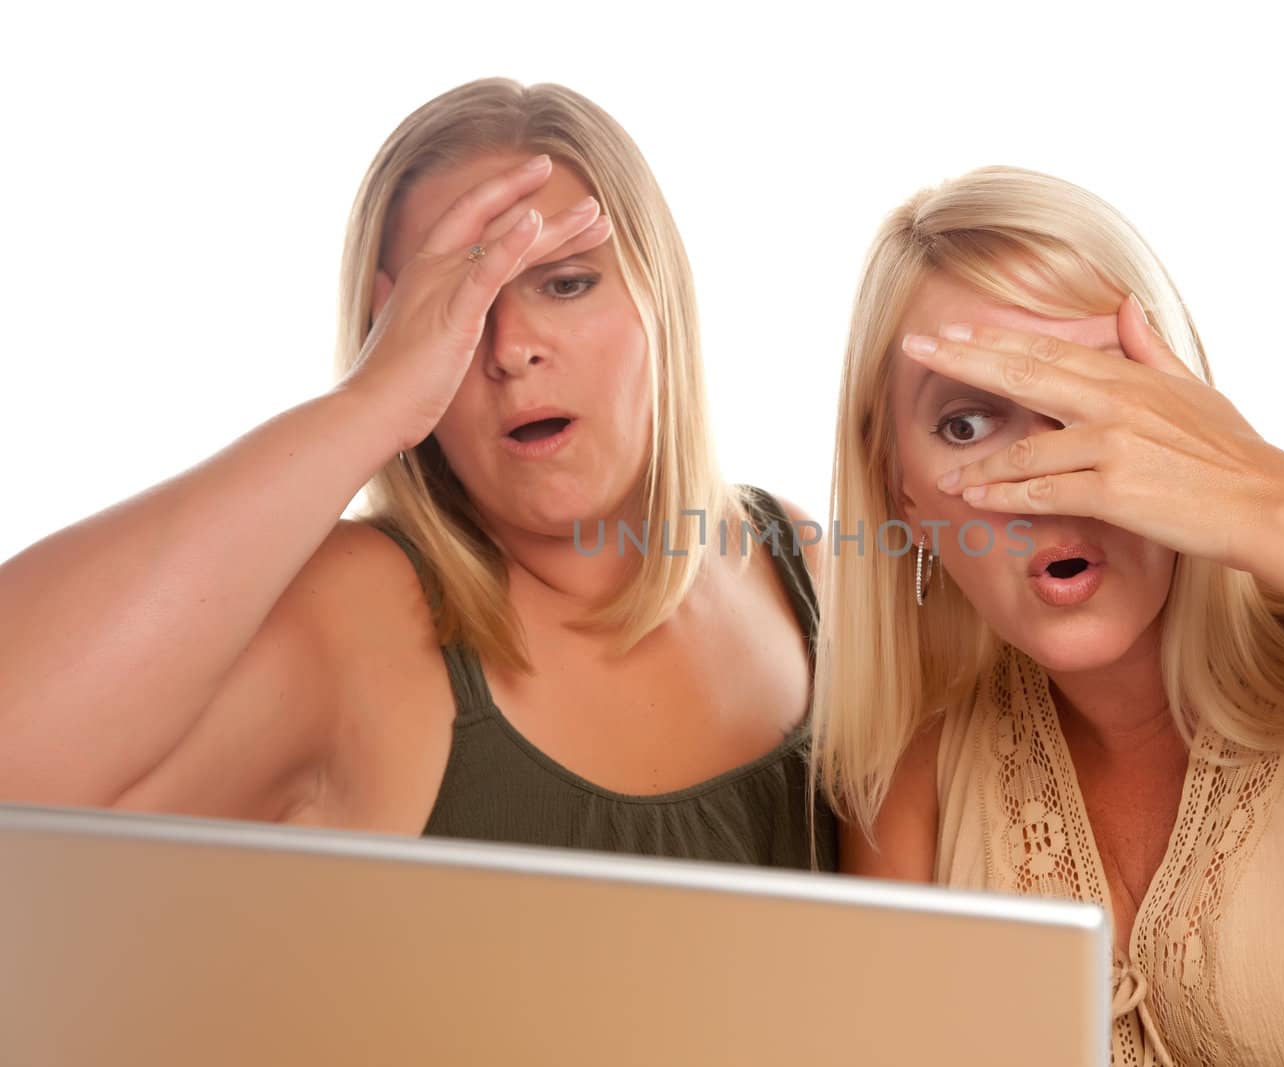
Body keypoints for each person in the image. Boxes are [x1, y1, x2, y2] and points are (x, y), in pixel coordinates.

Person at [813, 166, 1284, 1061]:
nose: (1046, 478)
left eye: (1098, 396)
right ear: (899, 487)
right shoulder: (922, 779)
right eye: (965, 424)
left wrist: (1260, 498)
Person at [0, 78, 835, 871]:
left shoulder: (800, 564)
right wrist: (367, 403)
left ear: (665, 298)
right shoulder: (357, 617)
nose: (510, 348)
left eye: (568, 282)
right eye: (458, 308)